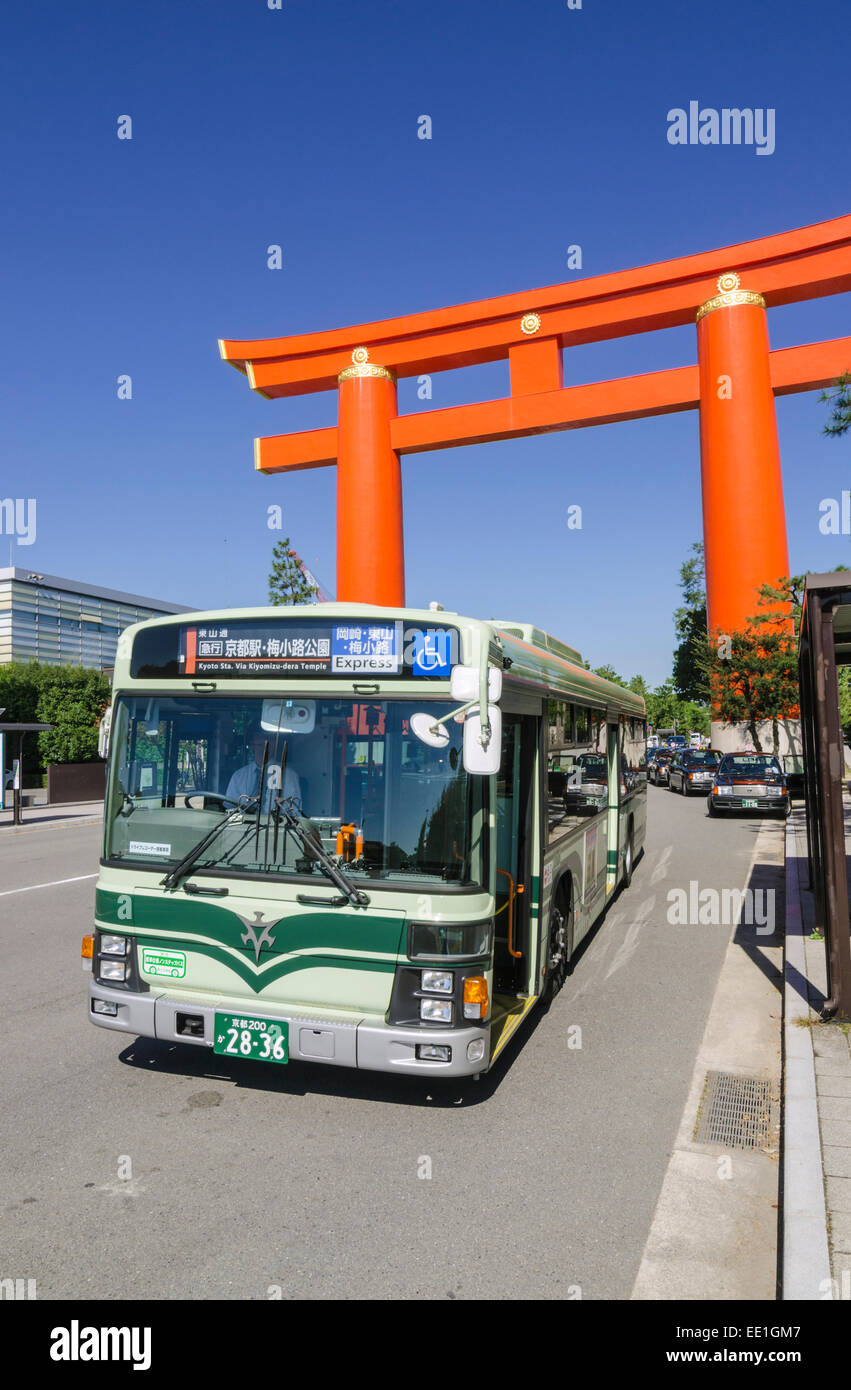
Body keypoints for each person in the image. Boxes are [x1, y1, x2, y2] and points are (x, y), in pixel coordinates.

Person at [225, 725, 301, 811]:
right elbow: (229, 808)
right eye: (259, 737)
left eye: (269, 737)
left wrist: (281, 806)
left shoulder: (288, 776)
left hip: (275, 824)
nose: (265, 741)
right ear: (252, 743)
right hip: (243, 823)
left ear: (275, 743)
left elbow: (294, 811)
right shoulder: (238, 776)